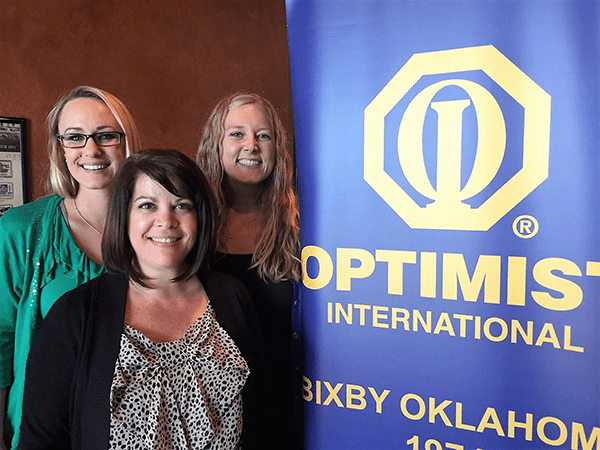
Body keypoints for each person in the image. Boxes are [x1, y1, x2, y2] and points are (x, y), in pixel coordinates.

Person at [20, 149, 265, 450]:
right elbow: (41, 441)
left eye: (182, 206)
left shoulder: (232, 298)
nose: (166, 221)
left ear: (200, 216)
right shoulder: (75, 315)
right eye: (147, 205)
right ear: (124, 217)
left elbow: (263, 417)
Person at [0, 86, 140, 450]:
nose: (91, 150)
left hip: (133, 434)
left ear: (128, 142)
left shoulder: (158, 230)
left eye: (106, 135)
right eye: (75, 137)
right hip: (44, 435)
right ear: (59, 148)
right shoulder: (21, 230)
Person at [196, 93, 302, 448]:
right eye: (237, 134)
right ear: (216, 143)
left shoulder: (303, 224)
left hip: (286, 403)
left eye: (264, 135)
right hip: (210, 408)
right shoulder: (191, 223)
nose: (251, 145)